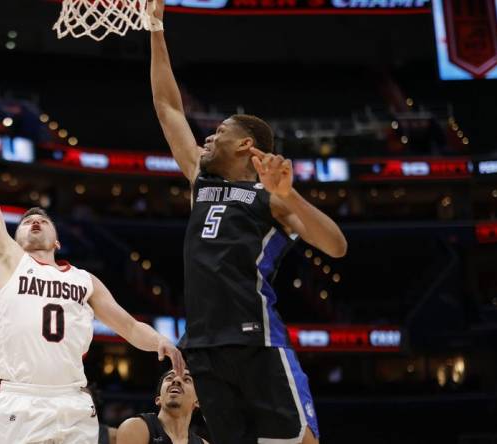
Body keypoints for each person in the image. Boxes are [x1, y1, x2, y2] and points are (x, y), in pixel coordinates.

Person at [0, 91, 184, 444]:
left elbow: (126, 324)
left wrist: (160, 342)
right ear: (14, 239)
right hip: (22, 397)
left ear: (58, 241)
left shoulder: (85, 280)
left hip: (74, 400)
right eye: (27, 221)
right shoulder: (7, 261)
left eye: (43, 220)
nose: (35, 221)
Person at [147, 2, 348, 442]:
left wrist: (287, 193)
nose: (208, 137)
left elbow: (336, 245)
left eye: (218, 132)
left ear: (244, 145)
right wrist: (156, 27)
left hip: (257, 341)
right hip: (202, 347)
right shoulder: (200, 182)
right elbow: (167, 108)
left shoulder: (271, 200)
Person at [116, 369, 207, 444]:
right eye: (169, 378)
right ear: (158, 399)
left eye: (187, 379)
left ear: (197, 402)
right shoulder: (135, 428)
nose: (176, 380)